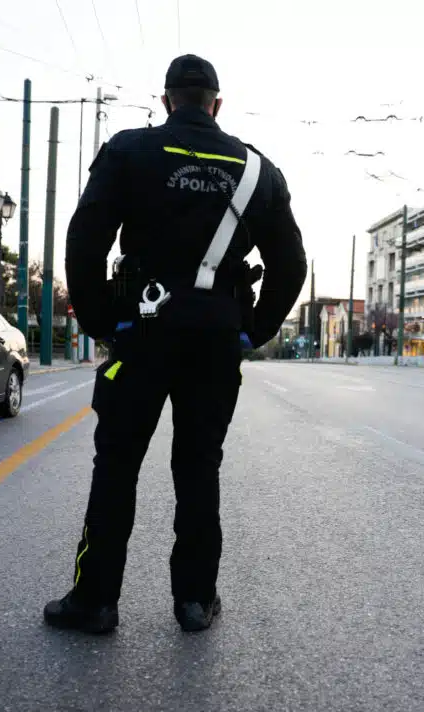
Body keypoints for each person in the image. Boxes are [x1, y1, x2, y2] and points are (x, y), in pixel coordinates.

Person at [45, 54, 307, 634]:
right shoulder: (258, 169)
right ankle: (194, 601)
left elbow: (84, 240)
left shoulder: (130, 150)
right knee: (198, 467)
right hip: (215, 340)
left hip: (142, 329)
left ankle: (95, 602)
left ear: (165, 100)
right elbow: (291, 265)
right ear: (217, 103)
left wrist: (101, 321)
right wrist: (252, 329)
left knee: (117, 464)